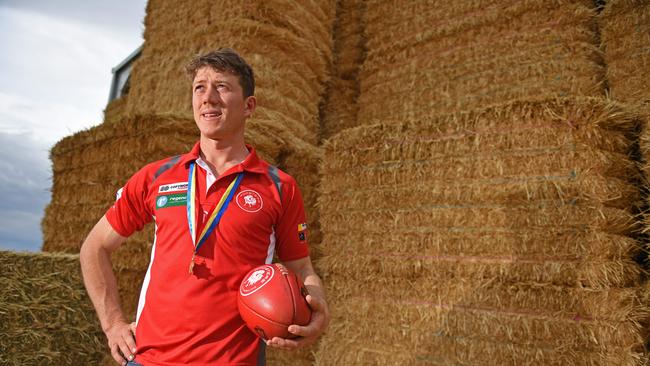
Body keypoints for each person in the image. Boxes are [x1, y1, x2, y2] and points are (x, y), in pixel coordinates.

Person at [80, 48, 329, 366]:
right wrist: (112, 323)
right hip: (149, 359)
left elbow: (302, 268)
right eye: (200, 87)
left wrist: (317, 302)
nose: (208, 97)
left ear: (249, 105)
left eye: (222, 86)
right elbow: (94, 246)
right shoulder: (157, 176)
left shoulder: (279, 186)